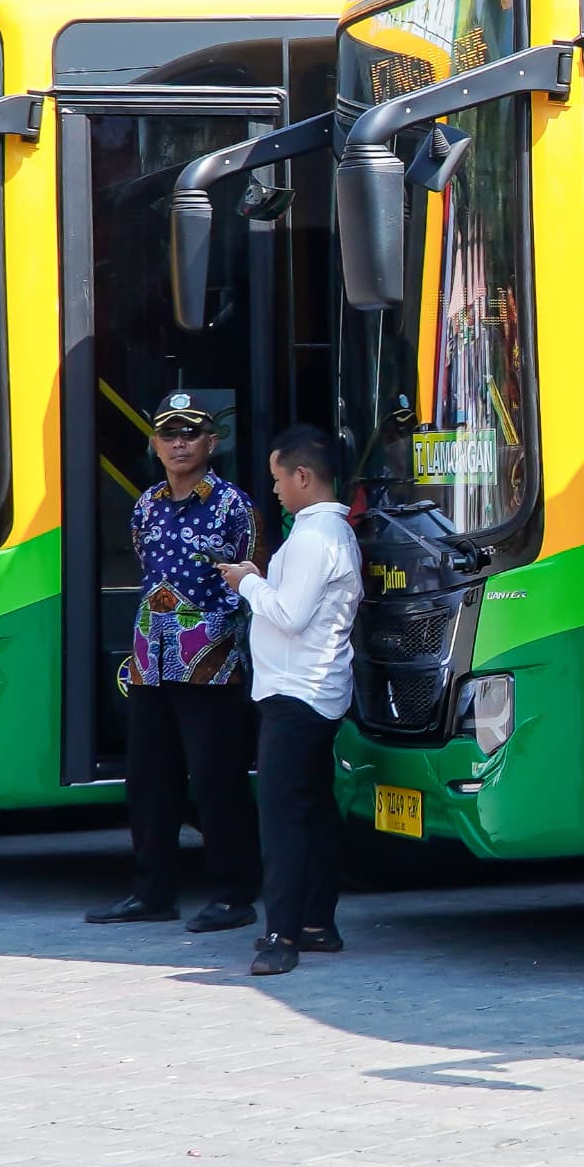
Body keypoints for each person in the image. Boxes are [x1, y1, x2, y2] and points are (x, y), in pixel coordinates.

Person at [88, 392, 262, 933]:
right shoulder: (147, 503)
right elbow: (143, 558)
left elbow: (249, 574)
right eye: (168, 433)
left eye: (190, 433)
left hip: (209, 659)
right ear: (154, 444)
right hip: (151, 658)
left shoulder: (234, 504)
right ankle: (152, 891)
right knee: (147, 778)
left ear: (212, 442)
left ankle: (235, 895)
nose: (178, 442)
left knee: (216, 779)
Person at [220, 424, 360, 978]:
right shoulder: (333, 534)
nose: (275, 489)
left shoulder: (312, 539)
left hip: (296, 693)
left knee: (281, 819)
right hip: (314, 692)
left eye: (280, 478)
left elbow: (288, 615)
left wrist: (247, 583)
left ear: (303, 476)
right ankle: (318, 923)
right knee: (314, 811)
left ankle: (281, 935)